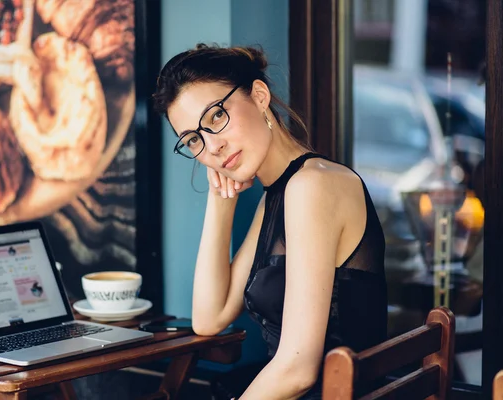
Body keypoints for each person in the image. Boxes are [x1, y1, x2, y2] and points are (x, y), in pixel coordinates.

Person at [153, 44, 388, 399]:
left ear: (259, 96)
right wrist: (221, 199)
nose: (212, 147)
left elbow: (298, 369)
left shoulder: (313, 186)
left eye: (216, 116)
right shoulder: (278, 195)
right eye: (194, 140)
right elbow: (210, 317)